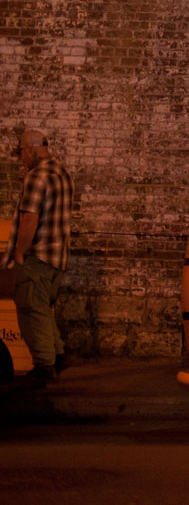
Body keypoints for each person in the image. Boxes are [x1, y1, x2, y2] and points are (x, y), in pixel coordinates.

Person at [6, 128, 75, 385]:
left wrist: (19, 253)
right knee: (44, 310)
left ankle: (44, 367)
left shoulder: (37, 177)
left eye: (21, 153)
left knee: (31, 311)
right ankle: (57, 356)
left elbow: (30, 220)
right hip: (57, 258)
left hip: (37, 258)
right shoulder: (62, 174)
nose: (21, 159)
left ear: (31, 149)